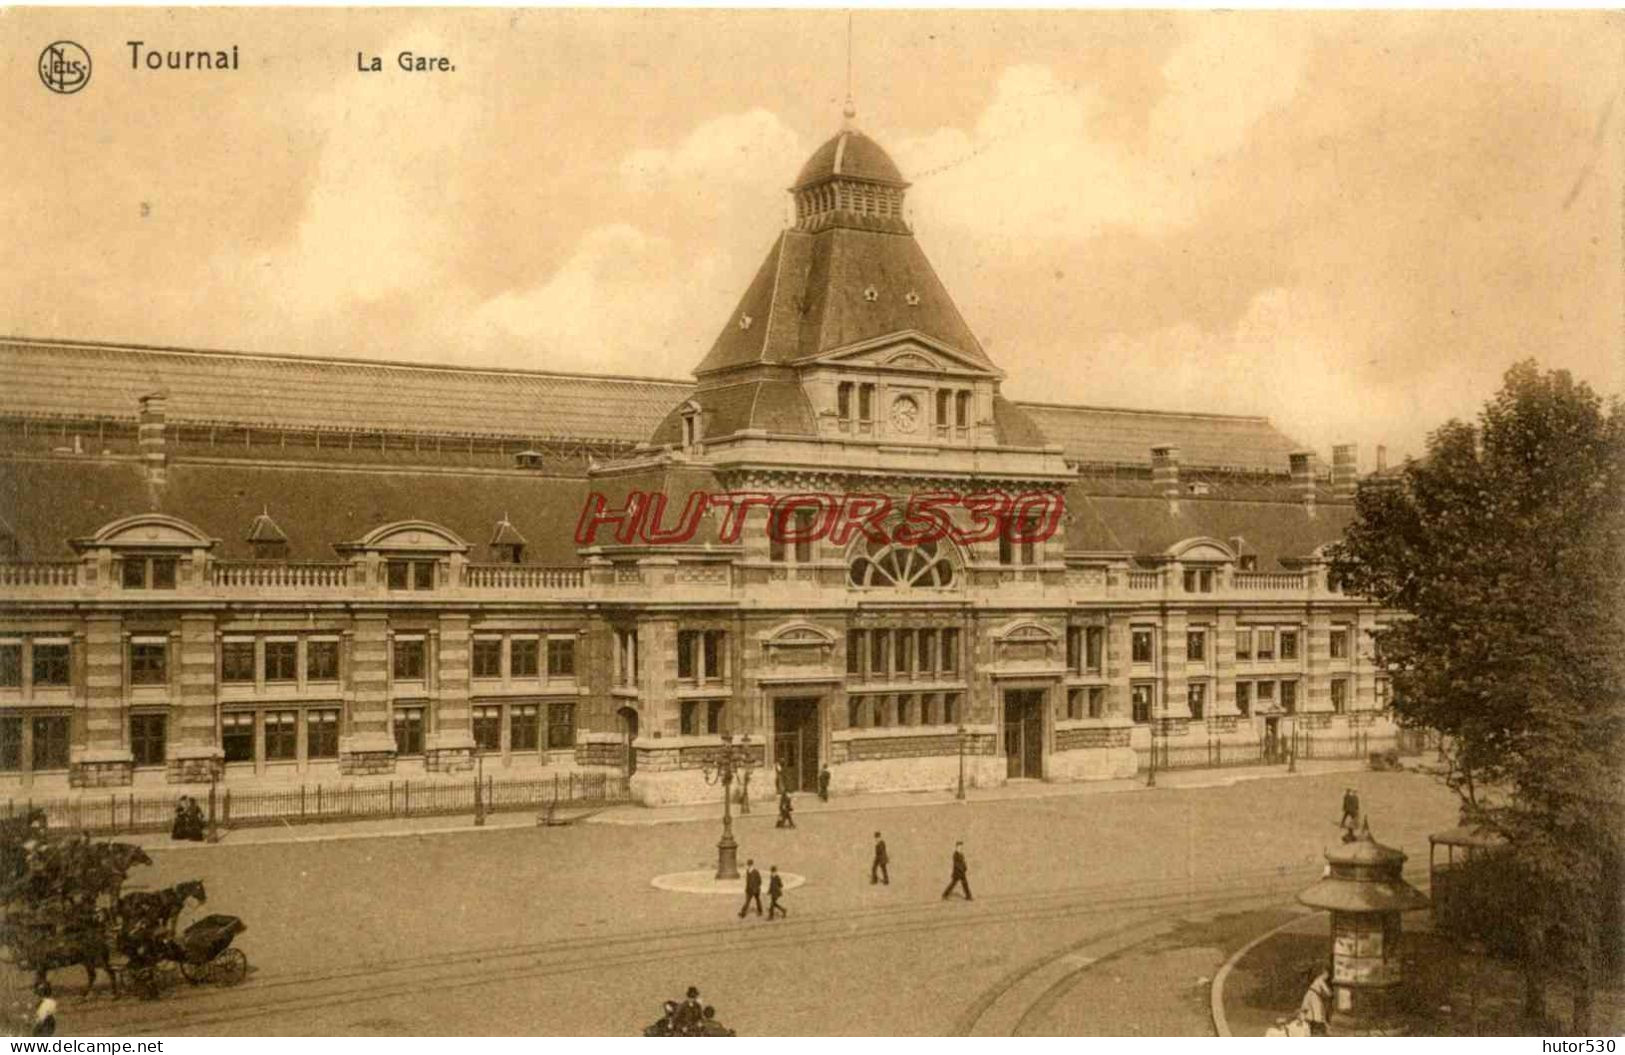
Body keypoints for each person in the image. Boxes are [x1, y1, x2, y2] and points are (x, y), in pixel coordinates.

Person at [1301, 969, 1332, 1036]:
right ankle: (1321, 1029)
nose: (1327, 977)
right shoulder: (1320, 980)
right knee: (1318, 1012)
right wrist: (1330, 993)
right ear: (1323, 974)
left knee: (1311, 1012)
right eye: (1326, 975)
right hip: (1313, 996)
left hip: (1310, 995)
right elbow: (1326, 990)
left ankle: (1310, 1028)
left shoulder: (1317, 980)